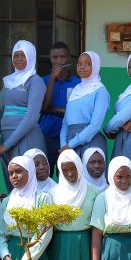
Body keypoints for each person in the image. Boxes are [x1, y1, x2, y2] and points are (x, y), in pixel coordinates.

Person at [0, 40, 47, 191]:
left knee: (28, 184)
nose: (19, 58)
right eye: (16, 55)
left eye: (23, 55)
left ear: (31, 57)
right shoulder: (8, 81)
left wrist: (6, 146)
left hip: (26, 138)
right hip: (6, 139)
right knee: (13, 186)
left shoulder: (35, 81)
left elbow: (31, 117)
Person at [51, 150, 97, 260]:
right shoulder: (53, 193)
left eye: (73, 168)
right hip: (61, 245)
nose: (70, 173)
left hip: (85, 244)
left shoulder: (93, 192)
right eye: (65, 170)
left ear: (79, 166)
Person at [39, 41, 81, 176]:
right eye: (55, 57)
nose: (59, 61)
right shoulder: (43, 81)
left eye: (62, 57)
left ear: (68, 58)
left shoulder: (78, 83)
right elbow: (43, 108)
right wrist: (52, 78)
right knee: (44, 175)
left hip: (68, 137)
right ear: (50, 59)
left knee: (65, 176)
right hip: (45, 135)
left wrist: (53, 110)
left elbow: (75, 112)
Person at [60, 51, 109, 159]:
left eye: (88, 64)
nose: (82, 67)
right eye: (79, 63)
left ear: (95, 66)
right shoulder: (76, 90)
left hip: (90, 142)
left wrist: (70, 145)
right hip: (69, 143)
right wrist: (63, 145)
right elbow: (65, 122)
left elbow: (95, 125)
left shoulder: (101, 91)